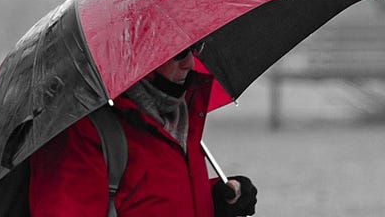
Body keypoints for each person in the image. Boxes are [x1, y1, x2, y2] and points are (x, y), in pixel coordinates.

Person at [26, 42, 260, 217]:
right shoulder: (82, 133)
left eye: (194, 47)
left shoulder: (181, 116)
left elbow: (151, 196)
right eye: (179, 52)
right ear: (143, 56)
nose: (189, 62)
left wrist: (214, 198)